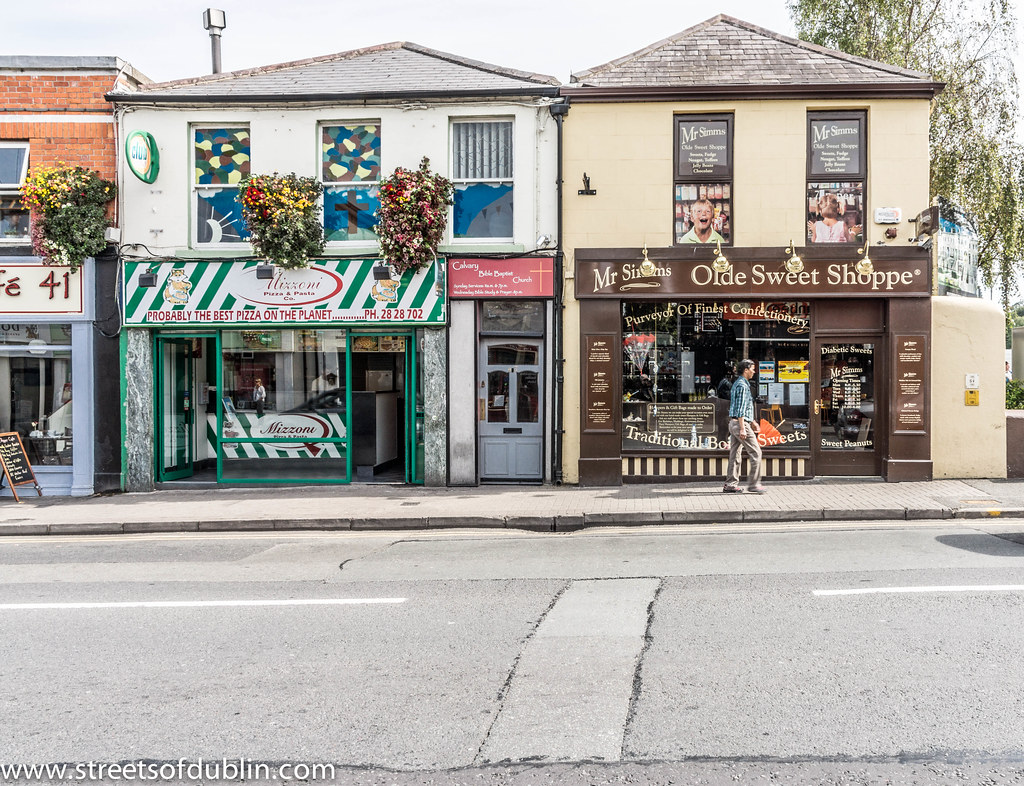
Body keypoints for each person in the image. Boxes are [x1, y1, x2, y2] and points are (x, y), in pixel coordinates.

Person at [723, 359, 765, 494]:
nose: (754, 371)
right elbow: (740, 409)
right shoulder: (742, 385)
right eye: (752, 369)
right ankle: (754, 484)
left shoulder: (739, 383)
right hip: (740, 424)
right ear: (746, 370)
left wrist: (752, 421)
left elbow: (740, 407)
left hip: (735, 423)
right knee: (756, 452)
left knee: (735, 454)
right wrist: (743, 427)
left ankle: (730, 484)